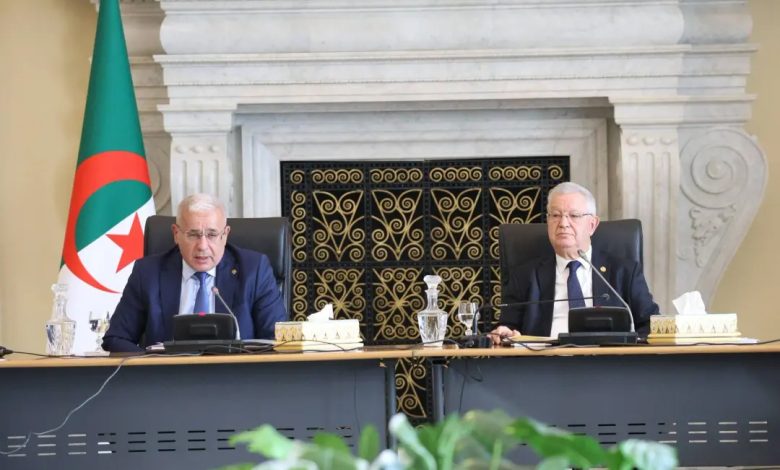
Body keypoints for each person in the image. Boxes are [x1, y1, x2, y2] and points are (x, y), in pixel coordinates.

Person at [102, 193, 288, 352]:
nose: (202, 246)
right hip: (166, 378)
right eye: (193, 235)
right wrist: (152, 366)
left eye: (212, 235)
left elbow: (277, 340)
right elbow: (116, 338)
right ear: (176, 234)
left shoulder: (254, 270)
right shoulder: (148, 273)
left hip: (236, 377)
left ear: (225, 235)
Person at [491, 182, 658, 345]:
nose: (563, 224)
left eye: (574, 215)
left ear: (592, 225)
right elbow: (508, 327)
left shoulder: (624, 272)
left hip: (607, 359)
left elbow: (650, 324)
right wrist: (506, 333)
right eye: (555, 215)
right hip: (544, 359)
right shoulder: (525, 276)